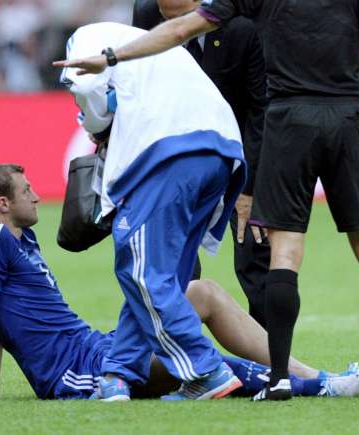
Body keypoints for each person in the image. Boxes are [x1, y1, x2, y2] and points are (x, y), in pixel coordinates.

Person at [53, 0, 359, 400]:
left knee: (284, 252)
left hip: (288, 120)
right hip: (346, 118)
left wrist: (111, 56)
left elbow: (178, 31)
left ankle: (276, 379)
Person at [0, 164, 359, 402]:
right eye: (26, 191)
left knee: (201, 294)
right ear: (2, 204)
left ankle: (301, 371)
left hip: (96, 347)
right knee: (195, 361)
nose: (35, 196)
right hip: (77, 370)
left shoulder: (21, 240)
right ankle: (316, 385)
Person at [58, 21, 251, 401]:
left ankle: (205, 370)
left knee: (141, 270)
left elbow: (86, 85)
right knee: (164, 272)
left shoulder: (85, 40)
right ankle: (120, 372)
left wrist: (95, 124)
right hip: (219, 151)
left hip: (167, 151)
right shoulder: (144, 46)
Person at [132, 0, 270, 327]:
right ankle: (181, 364)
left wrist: (248, 190)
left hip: (239, 154)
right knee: (174, 265)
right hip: (176, 158)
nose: (173, 29)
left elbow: (259, 111)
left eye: (180, 18)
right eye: (166, 18)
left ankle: (270, 365)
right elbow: (137, 87)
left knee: (255, 255)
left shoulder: (242, 27)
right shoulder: (147, 13)